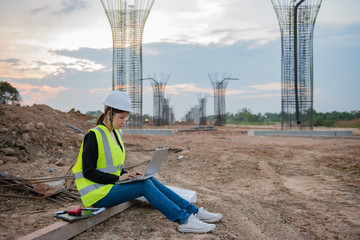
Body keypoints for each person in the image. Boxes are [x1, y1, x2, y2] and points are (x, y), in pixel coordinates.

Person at [72, 90, 222, 233]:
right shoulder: (94, 135)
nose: (124, 121)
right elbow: (89, 172)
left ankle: (193, 212)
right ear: (110, 114)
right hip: (97, 194)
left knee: (149, 179)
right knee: (143, 185)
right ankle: (184, 221)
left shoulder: (116, 133)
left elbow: (112, 166)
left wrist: (127, 174)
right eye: (121, 117)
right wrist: (118, 178)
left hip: (109, 186)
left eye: (126, 117)